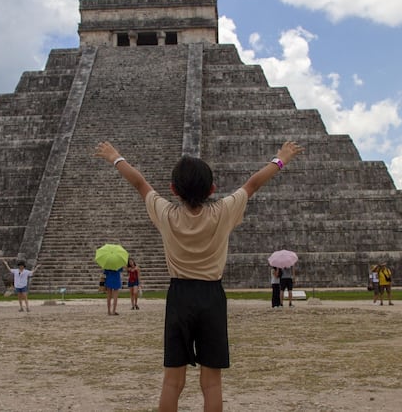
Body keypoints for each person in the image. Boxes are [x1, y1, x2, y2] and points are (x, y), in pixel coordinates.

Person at [95, 139, 303, 412]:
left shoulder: (167, 214)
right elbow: (252, 184)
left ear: (173, 190)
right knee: (212, 383)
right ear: (212, 189)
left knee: (172, 381)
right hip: (211, 296)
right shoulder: (222, 212)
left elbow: (139, 183)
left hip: (180, 296)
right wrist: (281, 158)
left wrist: (115, 157)